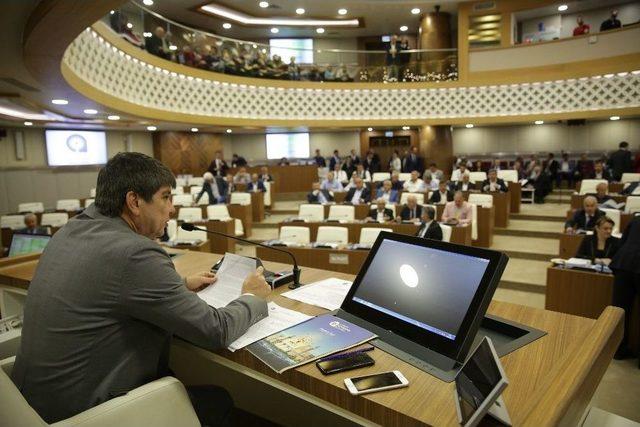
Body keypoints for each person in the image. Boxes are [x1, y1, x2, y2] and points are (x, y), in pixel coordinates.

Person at [11, 152, 271, 424]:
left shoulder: (70, 231)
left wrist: (180, 286)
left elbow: (106, 288)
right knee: (219, 401)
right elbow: (216, 330)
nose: (172, 209)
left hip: (32, 404)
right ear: (134, 201)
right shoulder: (134, 252)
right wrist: (253, 296)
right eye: (166, 197)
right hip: (85, 412)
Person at [610, 215, 640, 360]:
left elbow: (622, 243)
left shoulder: (636, 219)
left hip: (623, 264)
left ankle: (617, 349)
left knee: (620, 310)